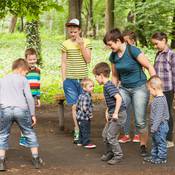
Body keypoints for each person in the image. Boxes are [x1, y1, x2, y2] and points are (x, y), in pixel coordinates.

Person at [103, 28, 156, 156]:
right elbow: (115, 76)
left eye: (110, 45)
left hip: (139, 87)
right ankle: (112, 146)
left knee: (140, 120)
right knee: (115, 114)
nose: (110, 47)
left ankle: (143, 145)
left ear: (117, 40)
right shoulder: (114, 56)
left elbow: (149, 67)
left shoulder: (133, 50)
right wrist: (112, 94)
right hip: (124, 88)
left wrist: (155, 86)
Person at [0, 58, 43, 171]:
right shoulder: (23, 80)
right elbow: (29, 97)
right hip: (21, 109)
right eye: (26, 72)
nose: (26, 74)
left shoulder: (2, 80)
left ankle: (1, 161)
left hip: (6, 109)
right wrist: (32, 114)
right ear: (21, 69)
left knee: (3, 134)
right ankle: (36, 159)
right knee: (29, 132)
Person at [60, 18, 92, 143]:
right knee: (74, 106)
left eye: (74, 31)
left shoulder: (87, 42)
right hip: (70, 80)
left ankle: (85, 130)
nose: (72, 34)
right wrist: (64, 79)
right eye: (70, 32)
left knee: (84, 106)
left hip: (83, 80)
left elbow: (88, 60)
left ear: (79, 30)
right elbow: (63, 62)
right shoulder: (65, 44)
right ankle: (77, 130)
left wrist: (81, 46)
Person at [93, 62, 127, 165]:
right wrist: (108, 111)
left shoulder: (108, 86)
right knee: (105, 134)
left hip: (119, 114)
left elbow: (119, 98)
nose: (95, 79)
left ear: (101, 75)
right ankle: (110, 153)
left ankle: (118, 155)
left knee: (111, 135)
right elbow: (112, 101)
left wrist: (115, 113)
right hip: (113, 114)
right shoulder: (106, 86)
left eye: (96, 76)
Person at [151, 32, 175, 148]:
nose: (155, 46)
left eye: (156, 43)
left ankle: (169, 139)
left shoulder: (171, 54)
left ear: (164, 40)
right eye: (154, 44)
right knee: (158, 113)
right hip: (158, 90)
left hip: (168, 89)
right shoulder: (158, 54)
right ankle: (160, 136)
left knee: (167, 114)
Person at [119, 30, 140, 143]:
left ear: (132, 41)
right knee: (125, 110)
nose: (124, 44)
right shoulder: (120, 53)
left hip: (137, 86)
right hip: (124, 86)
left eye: (126, 41)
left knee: (138, 111)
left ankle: (137, 134)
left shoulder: (136, 52)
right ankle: (126, 134)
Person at [144, 75, 169, 164]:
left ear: (154, 88)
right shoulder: (158, 98)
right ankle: (154, 156)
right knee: (155, 141)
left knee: (161, 142)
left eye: (150, 90)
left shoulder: (160, 100)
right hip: (157, 125)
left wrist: (154, 127)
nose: (150, 92)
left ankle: (162, 158)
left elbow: (158, 116)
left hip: (160, 126)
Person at [19, 48, 41, 147]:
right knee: (26, 117)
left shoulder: (38, 71)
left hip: (33, 97)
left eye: (34, 59)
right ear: (26, 60)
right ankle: (24, 138)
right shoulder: (24, 71)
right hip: (24, 97)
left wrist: (38, 98)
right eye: (30, 60)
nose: (32, 62)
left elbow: (38, 84)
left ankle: (26, 137)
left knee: (31, 117)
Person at [76, 78, 96, 149]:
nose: (92, 88)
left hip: (79, 117)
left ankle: (80, 141)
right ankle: (86, 143)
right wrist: (89, 114)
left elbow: (77, 105)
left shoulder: (81, 95)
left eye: (93, 86)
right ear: (84, 88)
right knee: (86, 130)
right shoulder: (87, 96)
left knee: (81, 130)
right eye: (90, 86)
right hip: (84, 117)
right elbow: (85, 108)